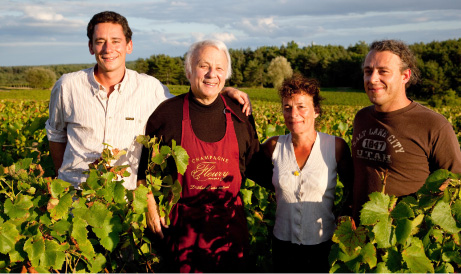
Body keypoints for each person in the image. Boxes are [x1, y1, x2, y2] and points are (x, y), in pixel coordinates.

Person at [45, 11, 250, 190]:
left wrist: (222, 91)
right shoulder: (67, 86)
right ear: (91, 47)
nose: (108, 49)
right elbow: (56, 135)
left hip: (127, 204)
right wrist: (64, 179)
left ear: (129, 46)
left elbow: (190, 101)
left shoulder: (149, 88)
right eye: (100, 42)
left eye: (116, 41)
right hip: (75, 198)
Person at [137, 39, 259, 273]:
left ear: (226, 75)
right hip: (182, 232)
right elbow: (143, 170)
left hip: (230, 230)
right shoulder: (166, 114)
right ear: (189, 70)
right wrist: (150, 208)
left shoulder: (240, 114)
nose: (212, 74)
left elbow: (256, 165)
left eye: (219, 68)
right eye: (204, 66)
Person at [250, 74, 353, 273]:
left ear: (316, 111)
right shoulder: (273, 146)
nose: (293, 114)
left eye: (301, 106)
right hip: (282, 243)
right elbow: (251, 166)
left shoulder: (335, 147)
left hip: (323, 243)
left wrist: (345, 213)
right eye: (287, 108)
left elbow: (352, 185)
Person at [351, 39, 461, 222]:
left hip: (403, 239)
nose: (372, 79)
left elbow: (454, 182)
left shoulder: (433, 124)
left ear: (405, 76)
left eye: (383, 71)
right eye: (368, 71)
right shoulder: (361, 118)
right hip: (359, 238)